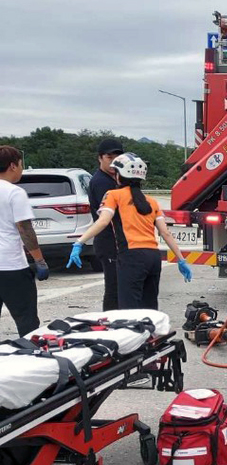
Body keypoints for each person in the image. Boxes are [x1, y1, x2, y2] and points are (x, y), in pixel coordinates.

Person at [67, 152, 192, 309]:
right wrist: (181, 259)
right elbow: (165, 233)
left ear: (119, 176)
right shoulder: (151, 202)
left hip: (132, 257)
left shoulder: (113, 195)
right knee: (150, 308)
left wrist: (79, 242)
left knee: (129, 310)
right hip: (154, 257)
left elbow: (103, 221)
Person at [0, 146, 49, 336]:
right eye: (21, 164)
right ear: (13, 166)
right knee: (26, 319)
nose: (22, 168)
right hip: (11, 266)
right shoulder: (14, 192)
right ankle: (31, 357)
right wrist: (39, 260)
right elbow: (25, 229)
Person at [87, 138, 124, 311]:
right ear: (100, 158)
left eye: (116, 158)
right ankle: (110, 323)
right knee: (114, 289)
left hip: (117, 242)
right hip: (108, 242)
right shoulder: (102, 182)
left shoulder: (115, 179)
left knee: (120, 288)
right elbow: (109, 216)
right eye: (109, 157)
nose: (113, 161)